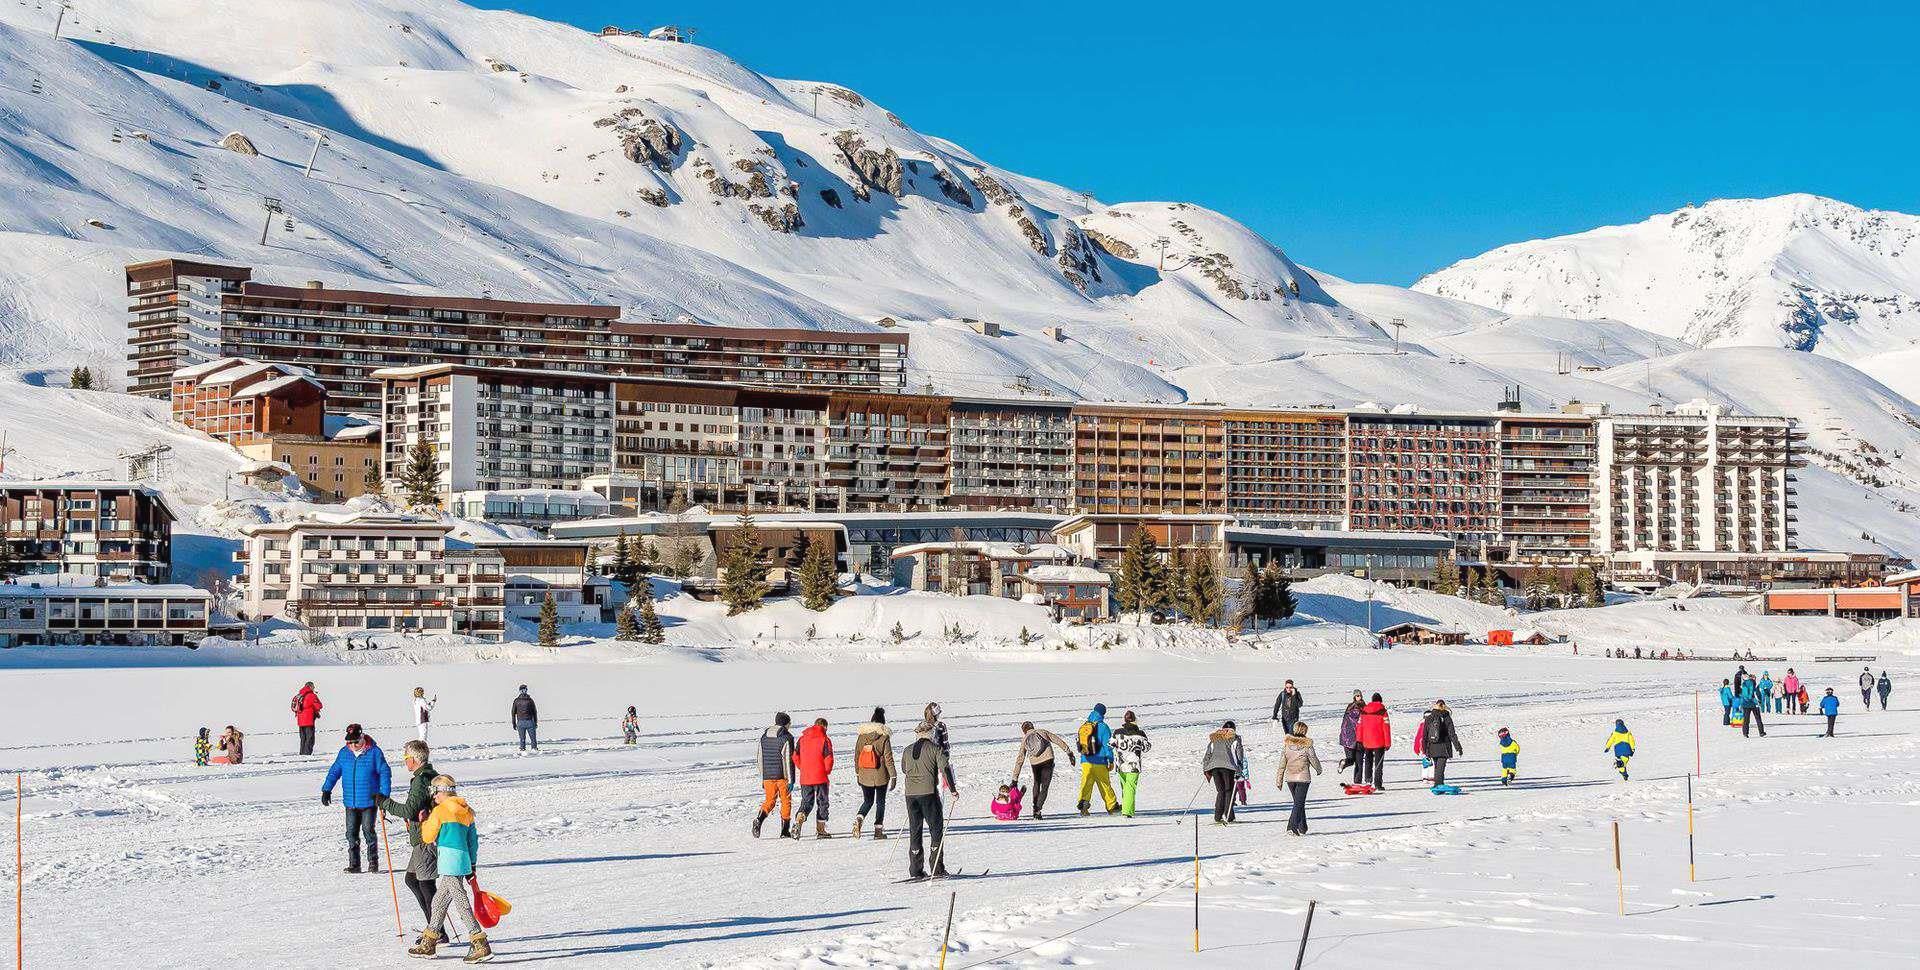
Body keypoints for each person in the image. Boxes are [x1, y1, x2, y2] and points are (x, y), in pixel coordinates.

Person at [407, 775, 493, 962]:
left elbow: (429, 837)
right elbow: (473, 842)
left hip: (448, 860)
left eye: (434, 792)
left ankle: (479, 941)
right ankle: (429, 942)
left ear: (441, 792)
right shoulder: (466, 811)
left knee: (460, 899)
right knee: (438, 902)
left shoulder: (440, 811)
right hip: (462, 860)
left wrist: (424, 821)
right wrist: (472, 865)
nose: (433, 797)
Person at [382, 739, 439, 931]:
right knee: (412, 879)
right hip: (420, 838)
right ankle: (434, 927)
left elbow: (409, 810)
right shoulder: (426, 776)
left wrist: (385, 803)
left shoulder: (422, 779)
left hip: (426, 838)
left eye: (406, 757)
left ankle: (436, 931)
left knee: (426, 884)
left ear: (415, 759)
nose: (405, 761)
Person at [321, 723, 392, 873]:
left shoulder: (374, 752)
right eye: (350, 742)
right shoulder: (344, 753)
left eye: (356, 741)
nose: (353, 745)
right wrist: (327, 789)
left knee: (368, 830)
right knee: (351, 833)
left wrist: (384, 795)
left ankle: (373, 863)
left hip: (369, 801)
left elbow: (385, 773)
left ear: (362, 737)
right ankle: (355, 864)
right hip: (350, 802)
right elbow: (334, 771)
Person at [900, 720, 955, 879]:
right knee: (936, 829)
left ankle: (915, 869)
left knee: (915, 830)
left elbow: (904, 769)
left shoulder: (907, 750)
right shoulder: (935, 749)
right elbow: (945, 768)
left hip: (910, 795)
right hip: (929, 793)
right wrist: (953, 790)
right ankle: (937, 868)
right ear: (931, 734)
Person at [1011, 720, 1076, 820]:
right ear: (1032, 726)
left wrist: (1014, 779)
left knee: (1036, 783)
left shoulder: (1025, 740)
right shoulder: (1042, 732)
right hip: (1048, 760)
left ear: (1024, 731)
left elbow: (1020, 759)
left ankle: (1034, 807)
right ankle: (1038, 809)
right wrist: (1069, 752)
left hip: (1035, 763)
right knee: (1045, 787)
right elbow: (1057, 740)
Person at [852, 708, 896, 839]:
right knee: (880, 802)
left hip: (864, 775)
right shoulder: (884, 737)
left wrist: (858, 774)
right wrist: (893, 775)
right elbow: (888, 758)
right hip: (881, 775)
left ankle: (859, 818)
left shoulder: (861, 736)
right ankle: (878, 831)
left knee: (868, 801)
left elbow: (856, 756)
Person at [753, 712, 797, 838]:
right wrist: (791, 780)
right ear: (785, 723)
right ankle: (784, 831)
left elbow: (759, 758)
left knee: (769, 801)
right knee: (785, 801)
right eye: (789, 723)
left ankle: (759, 819)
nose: (790, 726)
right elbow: (789, 760)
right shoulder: (787, 737)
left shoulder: (764, 737)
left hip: (767, 776)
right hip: (782, 776)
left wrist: (763, 777)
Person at [791, 717, 835, 839]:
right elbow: (829, 758)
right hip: (820, 776)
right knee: (822, 802)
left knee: (806, 802)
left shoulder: (802, 739)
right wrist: (826, 771)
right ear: (824, 727)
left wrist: (803, 768)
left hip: (806, 777)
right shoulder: (825, 740)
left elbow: (795, 756)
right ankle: (820, 830)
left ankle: (799, 819)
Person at [1277, 722, 1322, 836]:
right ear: (1305, 731)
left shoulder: (1287, 745)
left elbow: (1282, 763)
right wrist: (1318, 769)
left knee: (1298, 802)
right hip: (1303, 778)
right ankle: (1291, 827)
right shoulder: (1307, 745)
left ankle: (1302, 827)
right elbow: (1313, 759)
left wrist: (1279, 779)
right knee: (1298, 803)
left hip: (1290, 779)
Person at [1075, 704, 1120, 816]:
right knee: (1104, 784)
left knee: (1086, 783)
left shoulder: (1084, 726)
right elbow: (1107, 746)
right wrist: (1110, 759)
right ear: (1103, 714)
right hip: (1100, 761)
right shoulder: (1103, 727)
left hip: (1086, 761)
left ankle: (1083, 804)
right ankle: (1112, 806)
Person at [1200, 720, 1245, 824]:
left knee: (1221, 791)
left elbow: (1207, 755)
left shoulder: (1215, 739)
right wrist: (1239, 768)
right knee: (1229, 791)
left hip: (1214, 767)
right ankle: (1228, 815)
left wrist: (1206, 769)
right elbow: (1240, 755)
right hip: (1229, 767)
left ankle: (1218, 815)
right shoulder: (1235, 739)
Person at [1111, 711, 1151, 819]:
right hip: (1134, 765)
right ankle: (1127, 812)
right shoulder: (1140, 733)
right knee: (1130, 787)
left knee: (1125, 787)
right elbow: (1147, 748)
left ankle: (1128, 809)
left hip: (1121, 764)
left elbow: (1111, 744)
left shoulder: (1117, 732)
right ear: (1134, 720)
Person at [1416, 700, 1463, 786]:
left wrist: (1425, 749)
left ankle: (1438, 784)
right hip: (1444, 747)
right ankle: (1438, 785)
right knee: (1440, 769)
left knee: (1437, 767)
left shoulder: (1429, 718)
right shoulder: (1447, 717)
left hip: (1432, 747)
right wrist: (1458, 747)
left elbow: (1425, 736)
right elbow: (1452, 734)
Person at [917, 703, 960, 793]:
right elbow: (945, 746)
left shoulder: (921, 725)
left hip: (924, 765)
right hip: (939, 763)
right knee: (940, 794)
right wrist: (946, 760)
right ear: (936, 714)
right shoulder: (941, 725)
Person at [1355, 693, 1392, 790]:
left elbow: (1359, 726)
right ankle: (1378, 784)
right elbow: (1386, 728)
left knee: (1368, 761)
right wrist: (1388, 743)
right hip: (1379, 741)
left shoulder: (1364, 711)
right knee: (1378, 763)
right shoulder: (1383, 711)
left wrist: (1359, 739)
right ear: (1380, 701)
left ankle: (1368, 780)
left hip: (1366, 741)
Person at [1338, 692, 1365, 781]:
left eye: (1360, 695)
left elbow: (1344, 723)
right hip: (1357, 738)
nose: (1359, 697)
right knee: (1358, 762)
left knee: (1351, 760)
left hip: (1347, 738)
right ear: (1354, 697)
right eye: (1357, 696)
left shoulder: (1349, 707)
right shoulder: (1361, 708)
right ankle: (1357, 781)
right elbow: (1358, 724)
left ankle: (1344, 762)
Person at [292, 681, 323, 756]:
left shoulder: (299, 695)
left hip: (300, 720)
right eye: (313, 686)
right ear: (310, 687)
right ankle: (307, 754)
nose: (314, 688)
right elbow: (319, 706)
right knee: (310, 738)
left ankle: (302, 753)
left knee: (303, 738)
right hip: (309, 720)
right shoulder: (311, 695)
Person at [510, 685, 538, 753]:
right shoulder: (530, 700)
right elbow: (535, 712)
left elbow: (513, 713)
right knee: (533, 739)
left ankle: (522, 750)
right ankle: (534, 750)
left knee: (522, 739)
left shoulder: (516, 700)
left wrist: (514, 723)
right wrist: (535, 722)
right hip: (529, 721)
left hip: (520, 722)